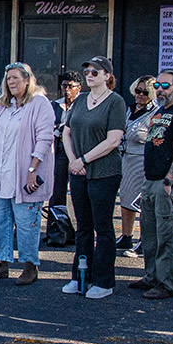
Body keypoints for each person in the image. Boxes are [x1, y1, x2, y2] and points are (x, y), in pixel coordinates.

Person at [0, 62, 55, 285]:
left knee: (26, 222)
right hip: (2, 175)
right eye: (8, 78)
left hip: (24, 175)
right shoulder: (4, 106)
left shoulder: (40, 103)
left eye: (15, 78)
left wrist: (32, 169)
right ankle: (0, 262)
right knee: (1, 220)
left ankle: (31, 266)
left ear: (27, 80)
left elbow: (45, 139)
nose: (11, 82)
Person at [61, 56, 127, 298]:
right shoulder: (80, 100)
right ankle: (80, 276)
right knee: (83, 227)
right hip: (79, 172)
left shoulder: (115, 102)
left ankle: (104, 281)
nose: (89, 75)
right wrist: (73, 161)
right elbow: (66, 132)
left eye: (95, 72)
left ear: (107, 76)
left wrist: (84, 160)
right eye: (87, 71)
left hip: (104, 173)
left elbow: (113, 140)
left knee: (103, 227)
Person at [131, 70, 173, 299]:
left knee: (167, 235)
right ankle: (152, 276)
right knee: (150, 233)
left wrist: (170, 179)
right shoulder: (161, 110)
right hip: (152, 179)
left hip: (169, 182)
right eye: (158, 85)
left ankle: (168, 284)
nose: (160, 89)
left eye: (166, 85)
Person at [117, 76, 159, 258]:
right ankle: (126, 236)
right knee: (126, 199)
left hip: (142, 160)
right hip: (126, 158)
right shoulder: (130, 109)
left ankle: (144, 240)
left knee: (142, 203)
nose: (140, 95)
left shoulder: (155, 112)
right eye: (138, 91)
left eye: (145, 92)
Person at [45, 72, 81, 248]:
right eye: (64, 86)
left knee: (79, 192)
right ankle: (56, 230)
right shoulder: (55, 105)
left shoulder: (84, 104)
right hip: (59, 150)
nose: (67, 90)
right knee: (56, 191)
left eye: (71, 86)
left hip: (78, 152)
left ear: (79, 88)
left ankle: (80, 232)